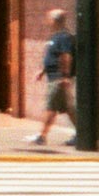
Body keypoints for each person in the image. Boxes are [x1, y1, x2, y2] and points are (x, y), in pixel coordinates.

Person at [26, 9, 76, 147]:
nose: (47, 21)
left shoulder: (64, 37)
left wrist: (65, 76)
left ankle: (42, 136)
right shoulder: (55, 36)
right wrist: (43, 71)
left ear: (55, 20)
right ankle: (81, 133)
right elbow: (53, 56)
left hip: (58, 78)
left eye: (49, 18)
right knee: (67, 109)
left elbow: (66, 56)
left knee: (50, 108)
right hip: (54, 76)